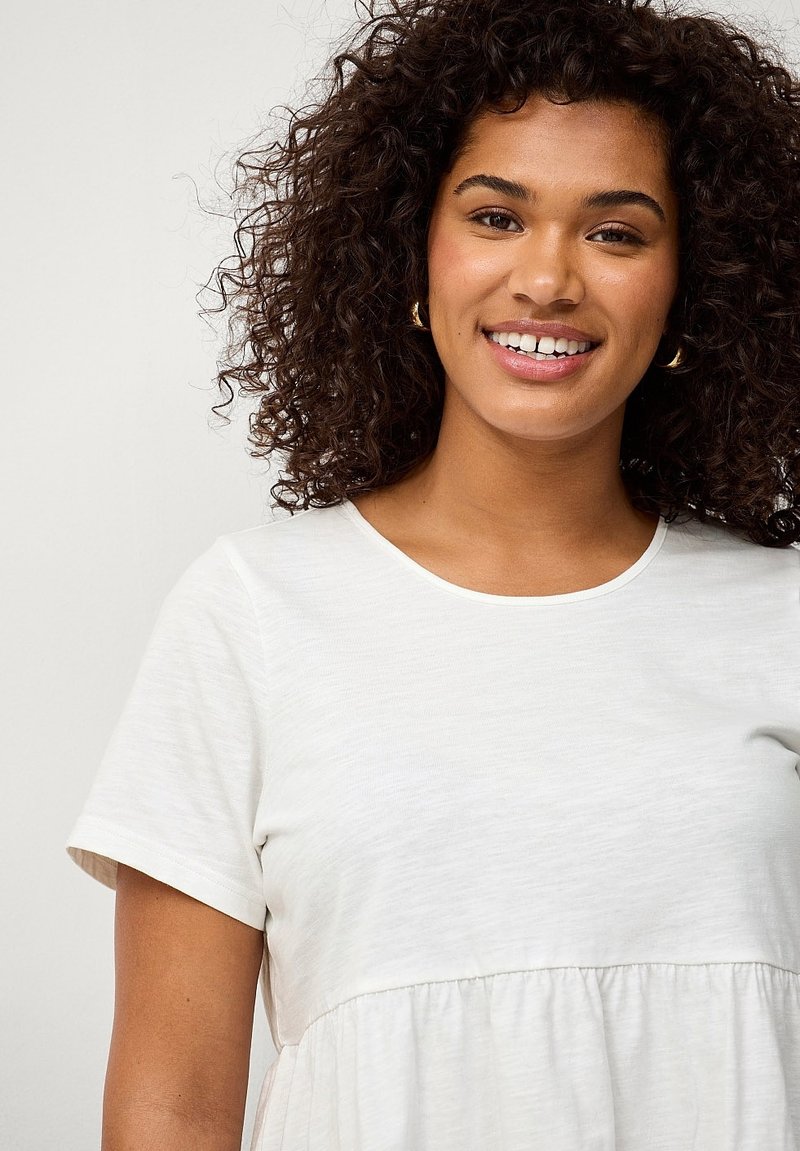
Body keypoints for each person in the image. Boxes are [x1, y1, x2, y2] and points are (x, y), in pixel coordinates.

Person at [67, 0, 800, 1146]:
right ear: (410, 250)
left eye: (615, 233)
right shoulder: (251, 614)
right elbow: (171, 1111)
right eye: (495, 216)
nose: (546, 278)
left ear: (689, 285)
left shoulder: (778, 617)